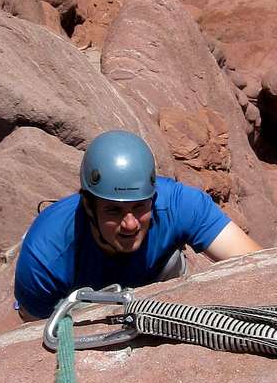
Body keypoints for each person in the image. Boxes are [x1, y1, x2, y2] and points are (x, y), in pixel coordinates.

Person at [14, 129, 261, 319]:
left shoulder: (179, 204)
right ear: (89, 206)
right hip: (86, 301)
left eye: (139, 206)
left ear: (153, 198)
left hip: (156, 275)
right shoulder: (45, 254)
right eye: (114, 210)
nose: (130, 224)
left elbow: (258, 265)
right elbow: (33, 322)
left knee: (172, 264)